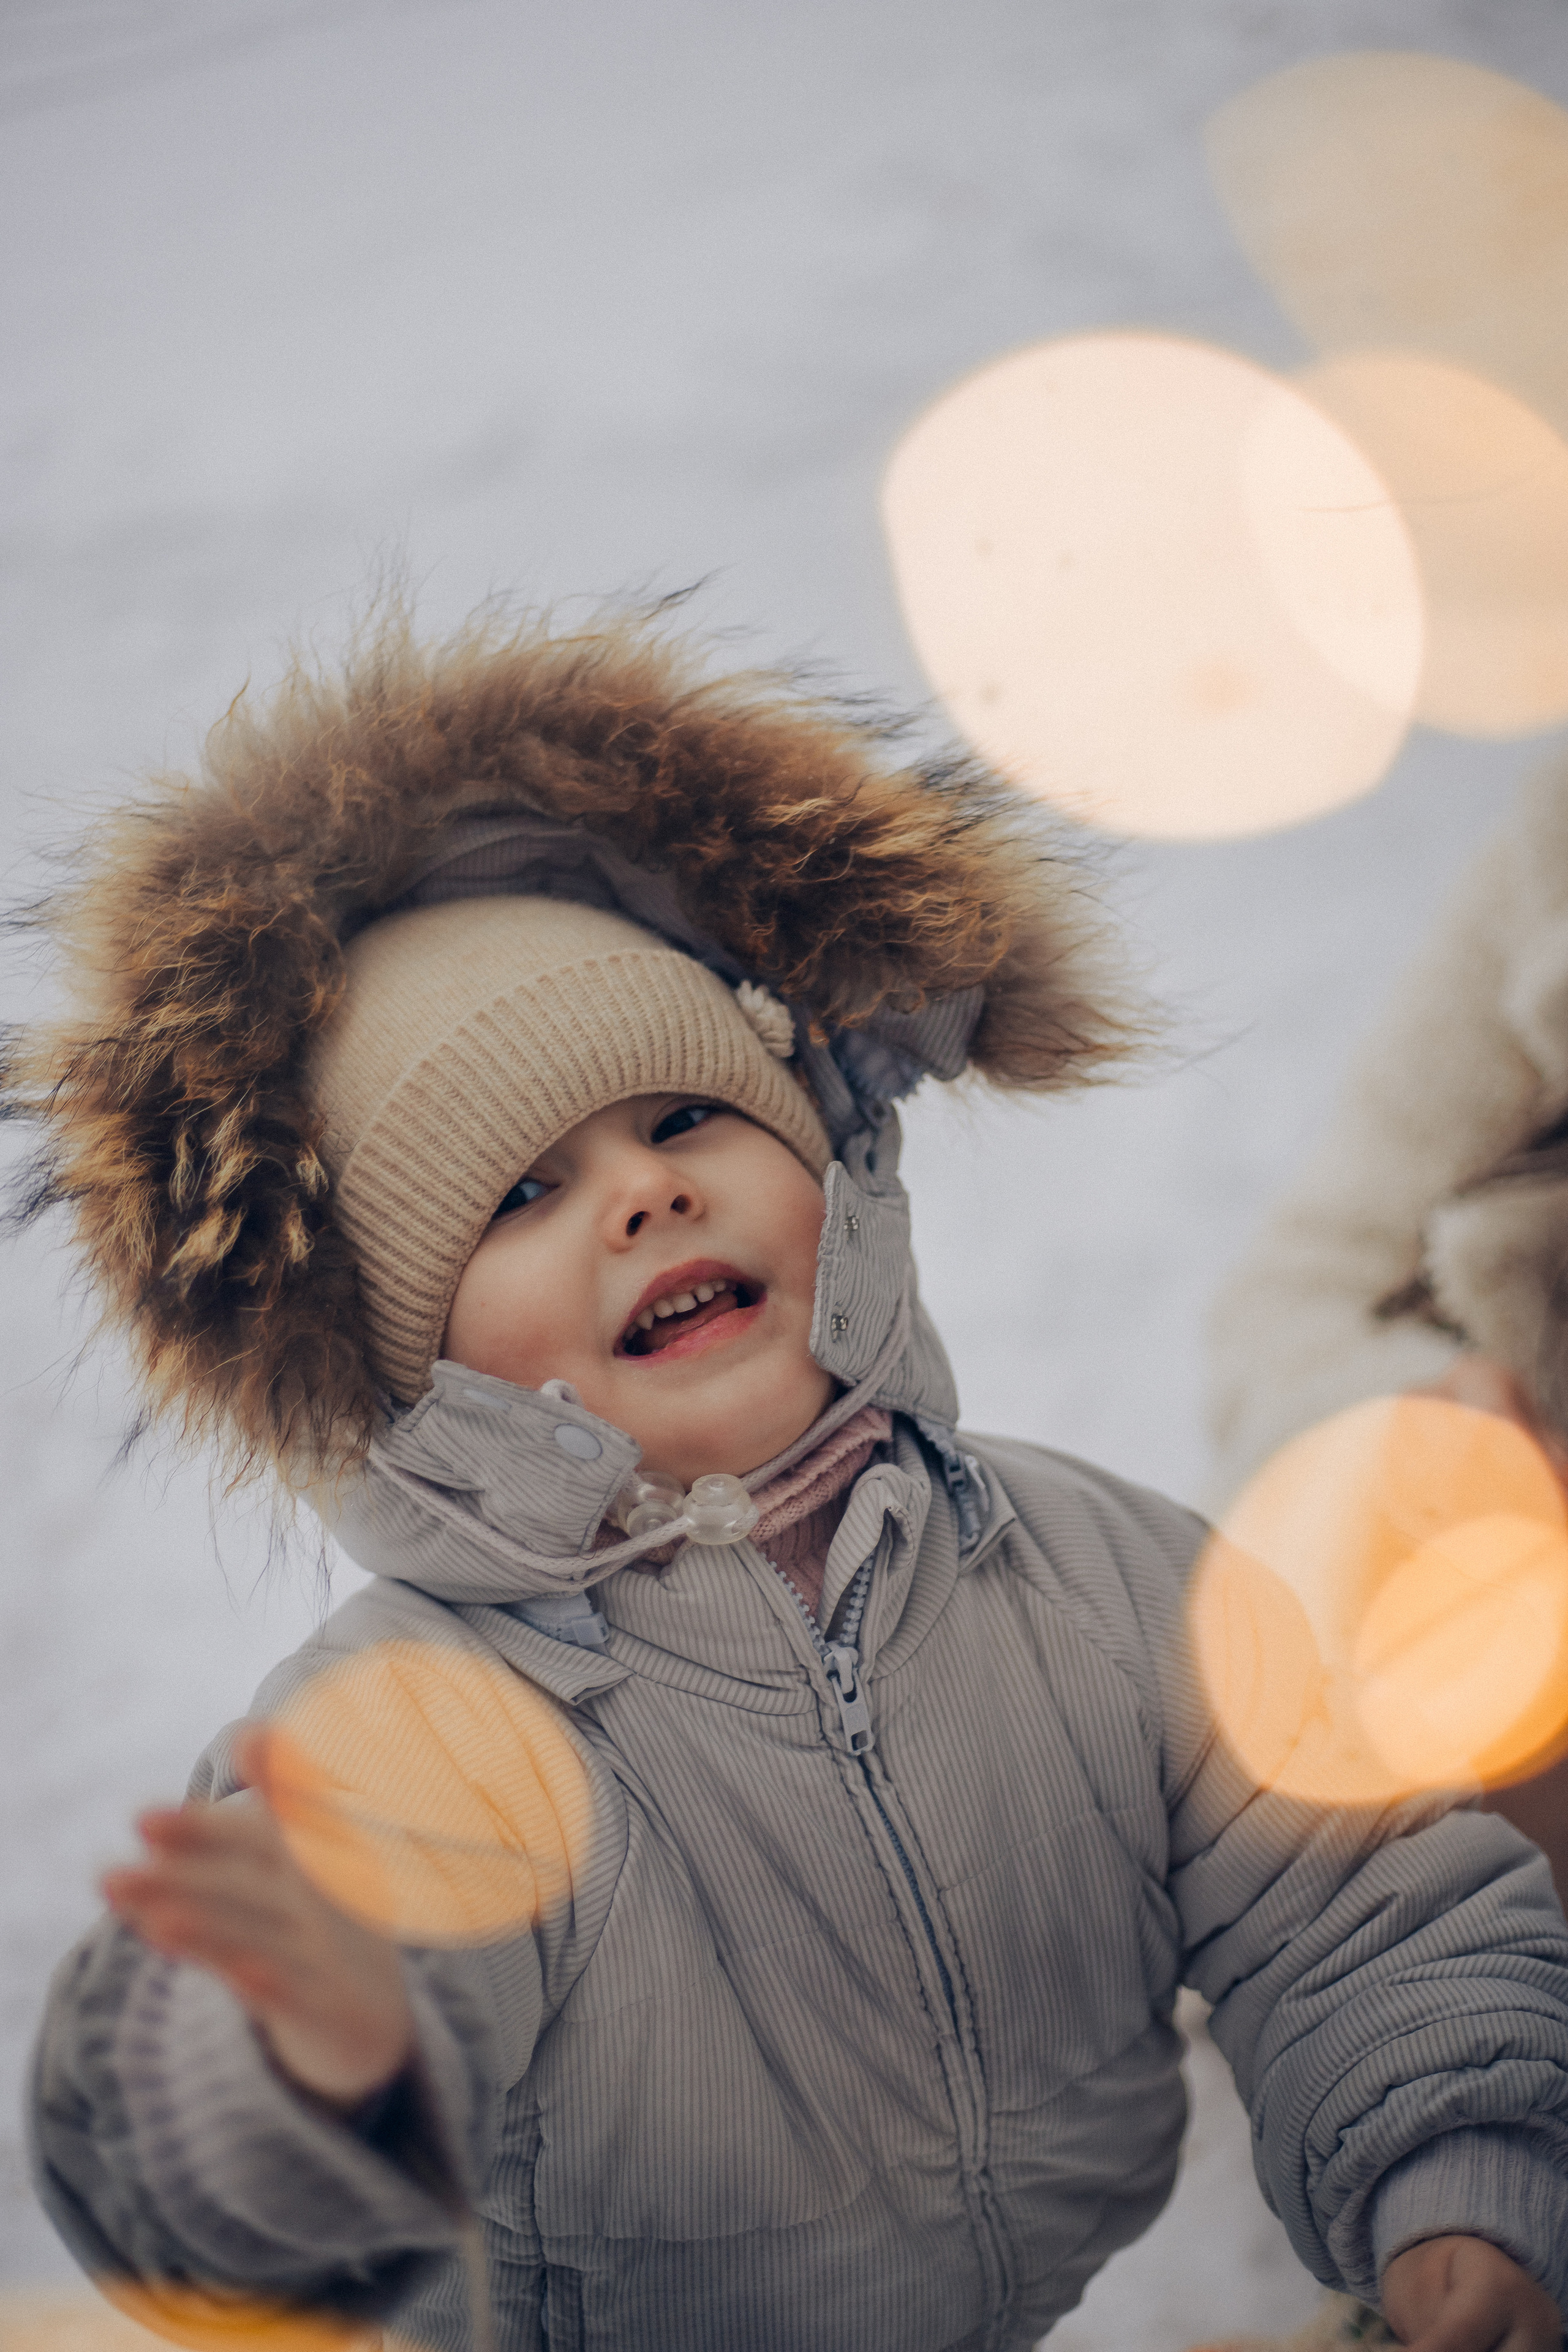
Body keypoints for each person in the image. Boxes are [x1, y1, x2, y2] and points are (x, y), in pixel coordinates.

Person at [16, 616, 1568, 2352]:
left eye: (688, 1119)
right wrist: (299, 2067)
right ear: (396, 1358)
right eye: (521, 1193)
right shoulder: (435, 1731)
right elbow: (219, 2181)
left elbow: (1351, 1903)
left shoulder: (1095, 1579)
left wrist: (1459, 2182)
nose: (643, 1197)